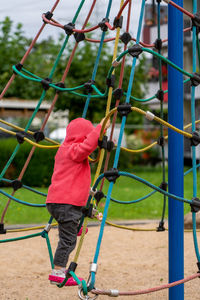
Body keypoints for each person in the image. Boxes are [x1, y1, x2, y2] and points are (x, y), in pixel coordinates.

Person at [46, 117, 110, 285]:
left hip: (58, 201)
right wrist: (100, 128)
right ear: (83, 136)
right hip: (66, 203)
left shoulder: (64, 149)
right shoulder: (74, 150)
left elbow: (73, 178)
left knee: (69, 232)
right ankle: (57, 272)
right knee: (68, 241)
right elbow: (88, 146)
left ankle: (75, 228)